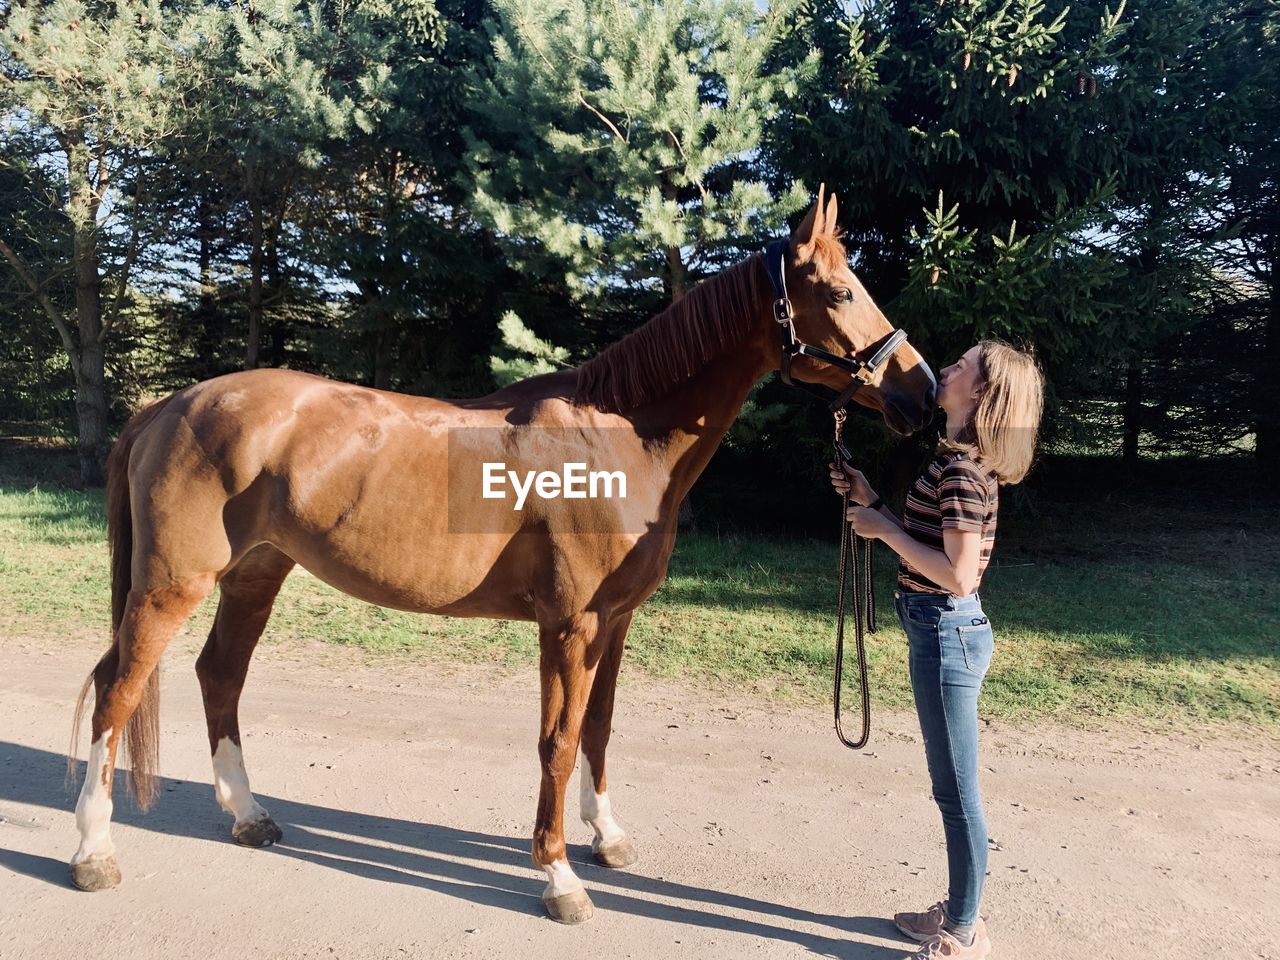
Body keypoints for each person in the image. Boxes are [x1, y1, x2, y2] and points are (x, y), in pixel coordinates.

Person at [829, 340, 1045, 960]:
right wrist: (872, 500)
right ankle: (959, 909)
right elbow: (935, 542)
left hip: (947, 630)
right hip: (941, 629)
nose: (944, 369)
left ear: (979, 394)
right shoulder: (959, 463)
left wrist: (885, 531)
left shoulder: (961, 473)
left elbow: (959, 574)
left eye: (960, 366)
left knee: (955, 792)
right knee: (951, 787)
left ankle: (965, 928)